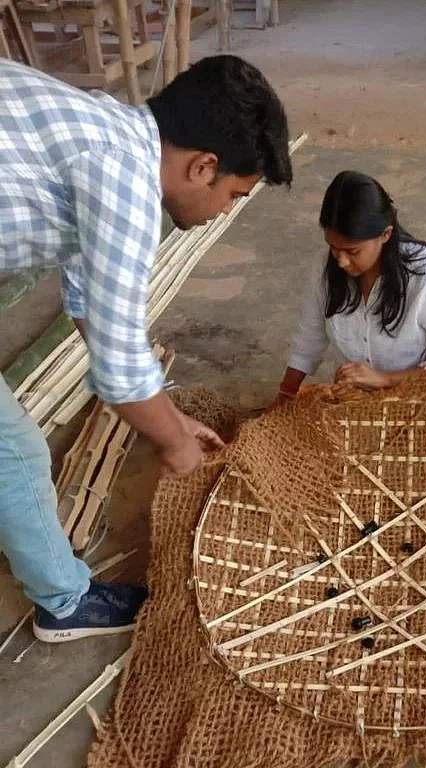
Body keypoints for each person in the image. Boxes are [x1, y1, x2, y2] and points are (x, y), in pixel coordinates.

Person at [0, 55, 291, 641]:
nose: (225, 212)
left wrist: (170, 418)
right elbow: (120, 368)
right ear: (203, 167)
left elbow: (88, 304)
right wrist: (175, 444)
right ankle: (65, 605)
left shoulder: (105, 131)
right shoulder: (126, 185)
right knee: (15, 451)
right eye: (233, 196)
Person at [275, 171, 426, 402]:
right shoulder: (325, 269)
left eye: (353, 251)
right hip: (352, 399)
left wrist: (385, 379)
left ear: (385, 234)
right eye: (333, 247)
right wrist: (285, 393)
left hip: (421, 400)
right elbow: (309, 338)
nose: (341, 261)